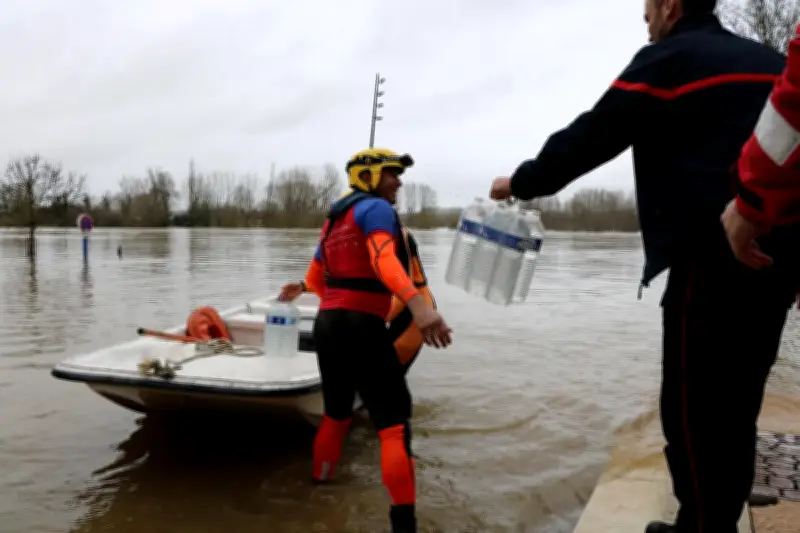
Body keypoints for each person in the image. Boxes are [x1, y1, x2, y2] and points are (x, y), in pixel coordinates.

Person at [488, 2, 791, 532]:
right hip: (779, 257)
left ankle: (701, 524)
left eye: (648, 8)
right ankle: (713, 518)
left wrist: (521, 181)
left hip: (712, 254)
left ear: (671, 6)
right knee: (739, 405)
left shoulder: (669, 58)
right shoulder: (772, 63)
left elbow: (594, 134)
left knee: (690, 409)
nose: (644, 21)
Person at [279, 147, 452, 533]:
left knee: (336, 414)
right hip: (361, 325)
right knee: (393, 424)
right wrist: (420, 308)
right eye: (392, 174)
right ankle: (404, 526)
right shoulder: (376, 210)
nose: (399, 181)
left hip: (327, 325)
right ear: (368, 177)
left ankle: (320, 483)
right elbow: (383, 261)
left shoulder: (332, 220)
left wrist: (309, 290)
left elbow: (318, 278)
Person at [721, 24, 800, 269]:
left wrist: (750, 202)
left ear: (669, 6)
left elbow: (793, 107)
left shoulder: (661, 63)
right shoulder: (771, 60)